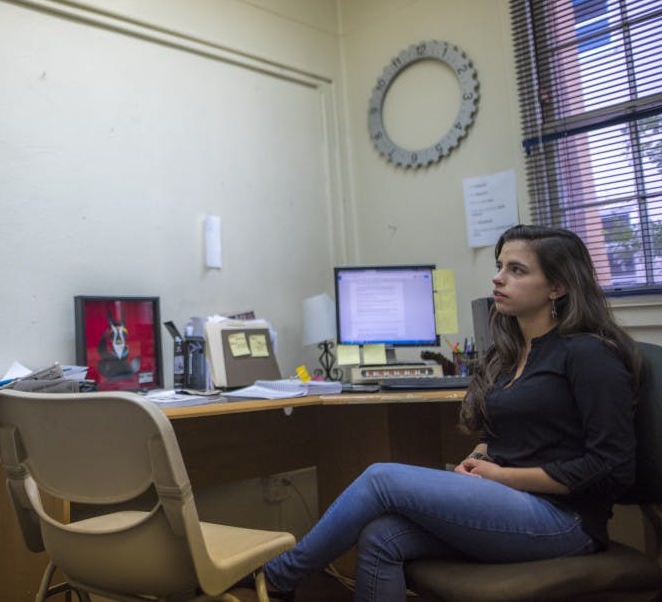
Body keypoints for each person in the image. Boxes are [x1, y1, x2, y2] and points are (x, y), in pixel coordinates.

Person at [259, 224, 641, 601]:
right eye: (499, 266)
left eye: (516, 270)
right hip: (513, 502)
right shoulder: (512, 353)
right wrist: (478, 457)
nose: (498, 278)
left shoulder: (589, 354)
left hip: (566, 522)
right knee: (381, 536)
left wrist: (505, 477)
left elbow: (611, 466)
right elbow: (508, 434)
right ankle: (281, 580)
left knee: (381, 479)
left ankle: (278, 578)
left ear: (557, 287)